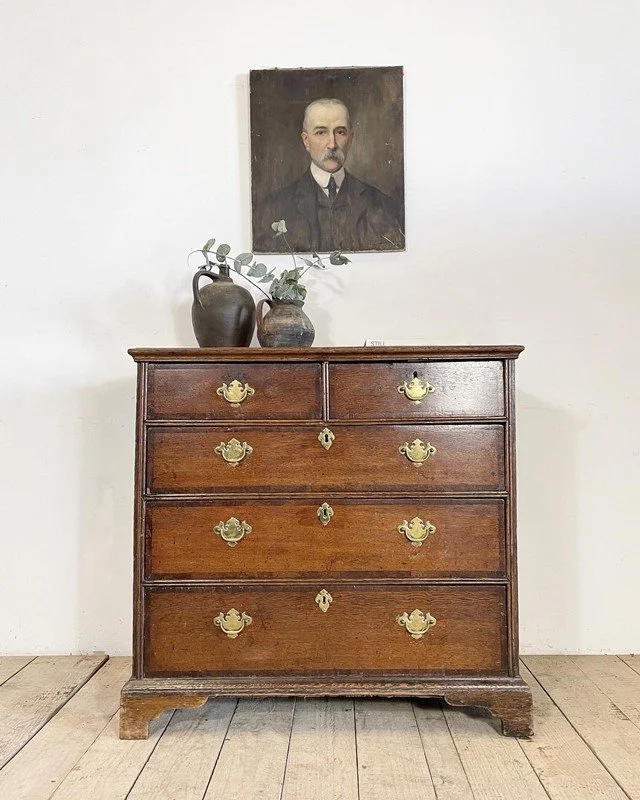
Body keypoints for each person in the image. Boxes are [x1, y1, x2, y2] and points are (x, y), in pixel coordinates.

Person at [253, 98, 404, 253]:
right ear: (306, 141)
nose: (332, 144)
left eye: (340, 132)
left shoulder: (384, 206)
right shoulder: (272, 208)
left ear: (350, 139)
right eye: (321, 132)